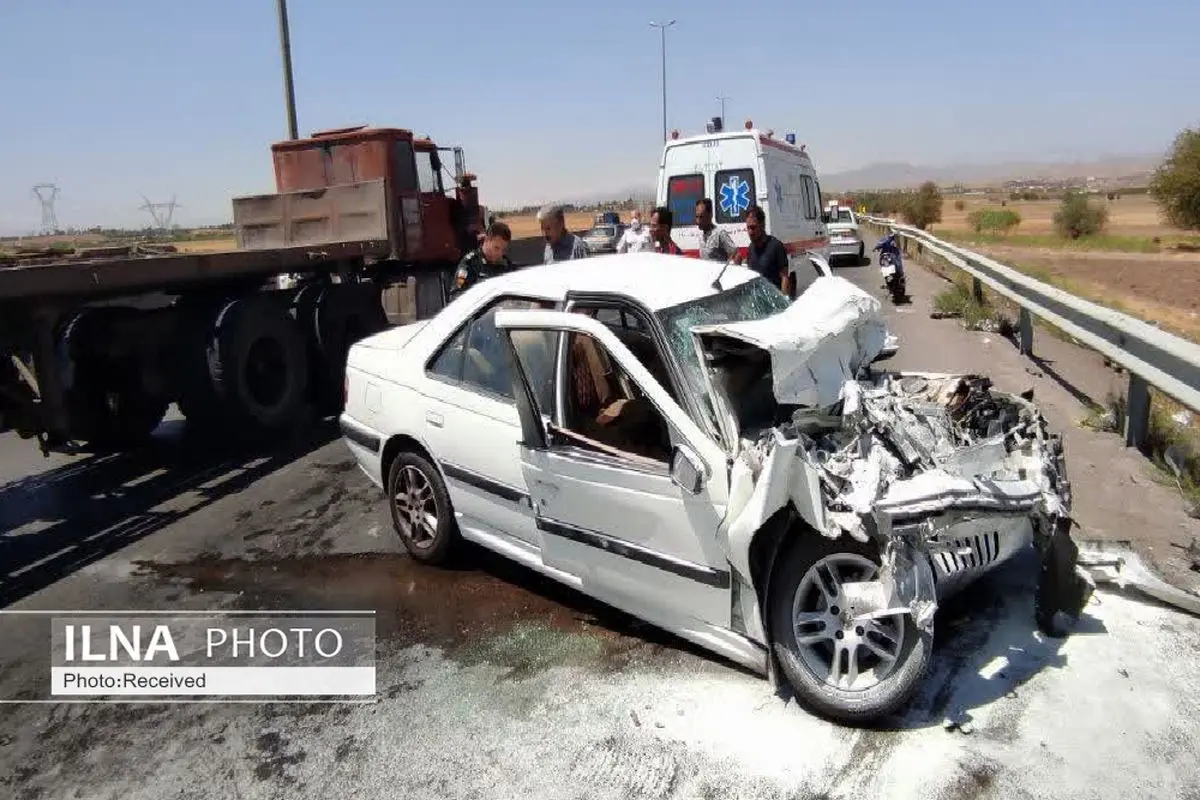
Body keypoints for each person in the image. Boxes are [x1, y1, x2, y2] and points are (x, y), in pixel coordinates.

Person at [450, 220, 513, 298]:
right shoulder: (470, 263)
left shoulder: (505, 263)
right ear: (486, 240)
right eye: (496, 248)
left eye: (503, 250)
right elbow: (456, 296)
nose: (500, 254)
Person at [743, 205, 789, 291]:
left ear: (762, 225)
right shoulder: (751, 248)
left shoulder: (776, 246)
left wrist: (784, 300)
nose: (750, 232)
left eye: (753, 227)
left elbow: (784, 278)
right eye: (748, 228)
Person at [695, 198, 742, 263]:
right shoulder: (701, 236)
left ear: (710, 215)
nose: (698, 221)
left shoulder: (720, 234)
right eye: (697, 217)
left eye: (701, 217)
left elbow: (737, 255)